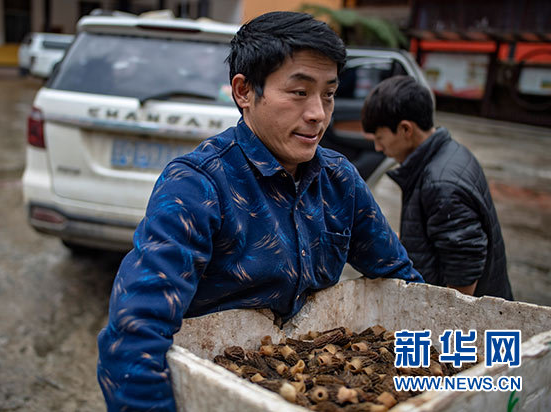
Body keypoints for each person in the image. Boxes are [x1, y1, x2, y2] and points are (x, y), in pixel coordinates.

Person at [97, 12, 423, 411]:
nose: (318, 114)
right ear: (244, 92)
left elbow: (401, 283)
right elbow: (134, 337)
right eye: (299, 92)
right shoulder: (197, 187)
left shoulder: (340, 180)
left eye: (328, 94)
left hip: (305, 387)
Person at [361, 75, 513, 300]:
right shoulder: (449, 152)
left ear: (405, 129)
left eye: (380, 137)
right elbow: (442, 237)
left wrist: (445, 317)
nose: (377, 147)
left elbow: (463, 274)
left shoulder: (441, 185)